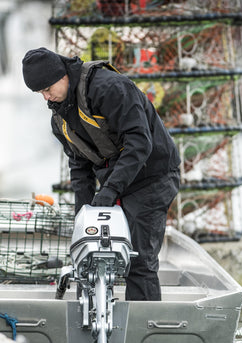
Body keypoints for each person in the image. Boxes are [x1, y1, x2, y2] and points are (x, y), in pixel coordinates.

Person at [22, 47, 180, 301]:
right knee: (89, 254)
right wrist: (82, 215)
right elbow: (79, 166)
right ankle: (93, 319)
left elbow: (140, 142)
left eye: (47, 88)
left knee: (139, 259)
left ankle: (144, 331)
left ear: (63, 75)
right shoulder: (59, 119)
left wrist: (109, 191)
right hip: (117, 178)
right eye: (40, 92)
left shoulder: (109, 88)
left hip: (153, 175)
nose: (45, 97)